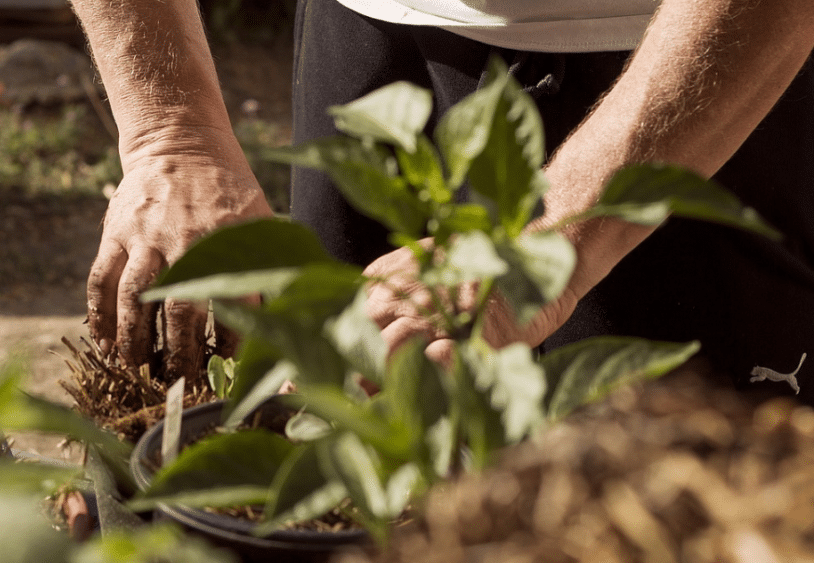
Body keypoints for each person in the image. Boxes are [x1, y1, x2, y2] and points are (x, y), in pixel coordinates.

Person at [69, 0, 814, 401]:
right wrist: (172, 131)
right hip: (361, 43)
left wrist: (546, 236)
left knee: (655, 512)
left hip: (688, 77)